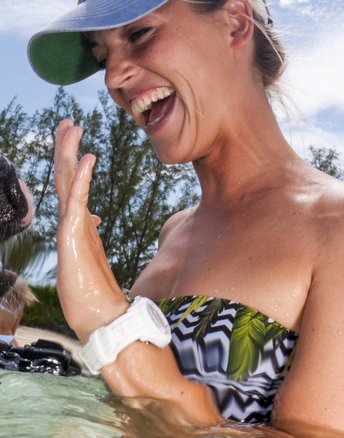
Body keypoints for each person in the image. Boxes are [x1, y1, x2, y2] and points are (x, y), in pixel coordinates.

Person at [27, 0, 344, 434]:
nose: (114, 77)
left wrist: (108, 321)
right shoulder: (173, 232)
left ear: (234, 22)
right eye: (103, 57)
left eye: (140, 34)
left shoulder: (337, 224)